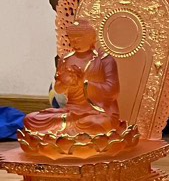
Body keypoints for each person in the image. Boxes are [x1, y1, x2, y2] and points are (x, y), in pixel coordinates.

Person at [21, 21, 131, 156]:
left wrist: (83, 83)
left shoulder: (104, 60)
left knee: (98, 124)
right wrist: (65, 83)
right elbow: (59, 90)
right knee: (31, 119)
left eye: (79, 38)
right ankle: (70, 137)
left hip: (97, 113)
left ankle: (61, 138)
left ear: (91, 38)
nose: (75, 42)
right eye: (72, 39)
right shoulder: (65, 59)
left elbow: (113, 91)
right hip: (70, 111)